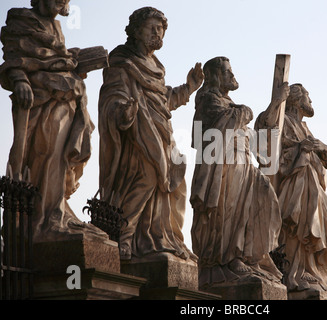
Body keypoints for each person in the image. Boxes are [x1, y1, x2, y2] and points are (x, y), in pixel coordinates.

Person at [98, 7, 204, 261]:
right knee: (146, 178)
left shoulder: (156, 66)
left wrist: (189, 87)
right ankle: (123, 236)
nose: (158, 33)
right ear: (135, 30)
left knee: (174, 176)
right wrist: (123, 111)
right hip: (136, 133)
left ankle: (162, 236)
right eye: (152, 28)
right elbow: (112, 96)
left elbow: (162, 100)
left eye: (162, 29)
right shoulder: (122, 59)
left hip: (160, 131)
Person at [0, 0, 102, 241]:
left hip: (66, 99)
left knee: (63, 156)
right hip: (38, 100)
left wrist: (75, 67)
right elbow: (14, 57)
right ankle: (41, 219)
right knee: (46, 152)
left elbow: (56, 63)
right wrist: (21, 80)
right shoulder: (21, 19)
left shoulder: (56, 27)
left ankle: (57, 210)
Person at [190, 56, 283, 288]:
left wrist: (275, 105)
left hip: (242, 161)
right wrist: (245, 112)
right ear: (215, 76)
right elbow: (221, 126)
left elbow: (253, 138)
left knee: (254, 204)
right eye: (227, 72)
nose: (232, 75)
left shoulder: (226, 102)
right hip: (223, 163)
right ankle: (226, 257)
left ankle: (245, 254)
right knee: (226, 209)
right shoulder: (208, 98)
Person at [255, 84, 327, 295]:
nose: (311, 101)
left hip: (312, 183)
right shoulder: (282, 120)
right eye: (308, 96)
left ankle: (314, 267)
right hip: (294, 181)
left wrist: (322, 148)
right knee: (300, 221)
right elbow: (264, 133)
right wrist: (276, 101)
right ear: (295, 100)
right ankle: (296, 268)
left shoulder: (305, 127)